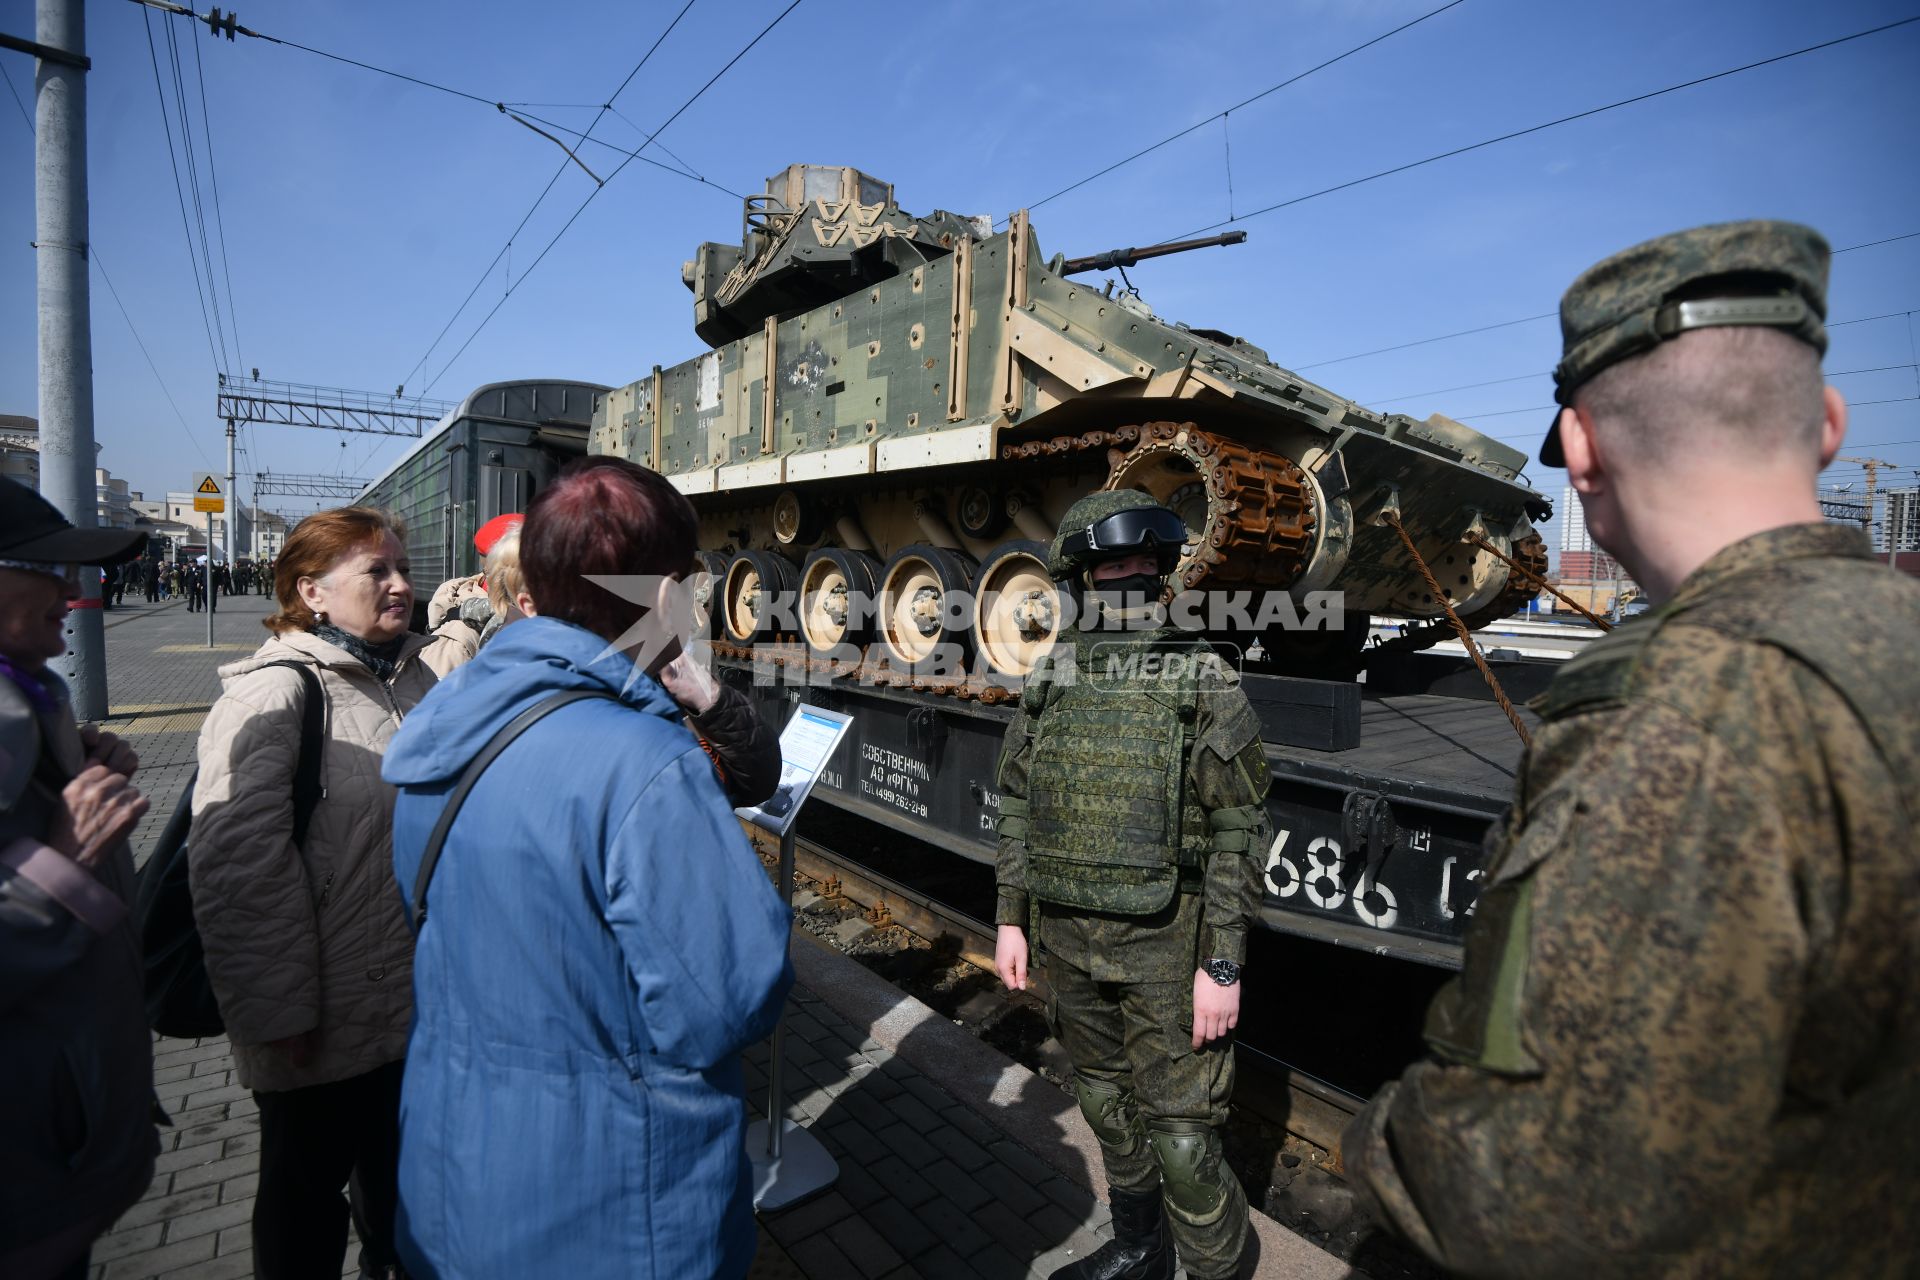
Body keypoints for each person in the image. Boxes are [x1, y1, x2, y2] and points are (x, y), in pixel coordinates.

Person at [1343, 221, 1920, 1278]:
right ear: (1829, 425)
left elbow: (1531, 1197)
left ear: (1581, 449)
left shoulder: (1681, 715)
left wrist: (1373, 1146)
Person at [382, 457, 794, 1280]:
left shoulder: (443, 724)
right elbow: (731, 1000)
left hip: (456, 1175)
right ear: (663, 596)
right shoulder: (646, 766)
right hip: (612, 1208)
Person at [188, 506, 482, 1280]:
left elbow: (461, 639)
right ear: (310, 592)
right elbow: (237, 875)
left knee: (402, 1196)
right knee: (303, 1208)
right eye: (375, 573)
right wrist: (277, 1015)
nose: (398, 586)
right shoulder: (272, 697)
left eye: (400, 569)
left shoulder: (416, 674)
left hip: (412, 1007)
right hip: (316, 1019)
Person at [993, 490, 1272, 1280]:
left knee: (1184, 1141)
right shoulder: (1055, 674)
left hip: (1165, 943)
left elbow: (1239, 829)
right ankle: (1141, 1249)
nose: (1133, 577)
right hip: (1067, 936)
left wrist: (1222, 962)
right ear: (1083, 575)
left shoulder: (1204, 676)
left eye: (1146, 565)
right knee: (1106, 1108)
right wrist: (1011, 915)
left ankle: (1218, 1269)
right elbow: (1017, 802)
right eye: (1116, 563)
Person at [0, 476, 155, 1279]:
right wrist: (60, 866)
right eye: (46, 570)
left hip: (58, 1143)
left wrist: (74, 766)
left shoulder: (34, 699)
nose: (72, 590)